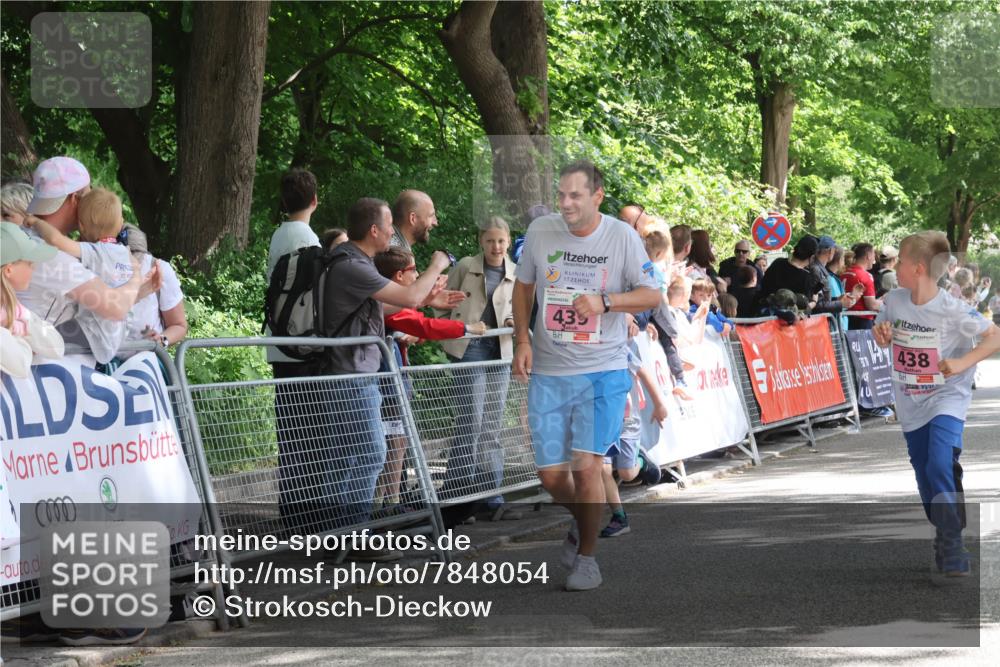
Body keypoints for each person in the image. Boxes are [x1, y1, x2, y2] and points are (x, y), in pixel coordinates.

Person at [512, 160, 659, 591]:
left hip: (604, 369)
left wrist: (606, 302)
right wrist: (522, 340)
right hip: (550, 369)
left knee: (587, 466)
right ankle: (586, 521)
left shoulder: (623, 237)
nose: (566, 203)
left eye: (576, 195)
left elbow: (653, 293)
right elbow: (524, 288)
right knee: (551, 475)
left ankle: (588, 560)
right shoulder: (541, 232)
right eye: (561, 194)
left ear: (597, 196)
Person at [317, 197, 453, 540]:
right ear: (374, 229)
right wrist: (436, 266)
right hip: (351, 375)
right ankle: (355, 535)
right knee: (370, 452)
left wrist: (426, 299)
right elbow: (403, 300)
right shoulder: (352, 265)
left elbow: (387, 309)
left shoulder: (354, 263)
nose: (393, 231)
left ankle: (340, 534)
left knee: (351, 456)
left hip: (355, 373)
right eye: (389, 225)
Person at [873, 231, 1000, 578]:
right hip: (911, 401)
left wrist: (961, 363)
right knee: (925, 474)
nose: (895, 265)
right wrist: (881, 335)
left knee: (937, 465)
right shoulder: (895, 300)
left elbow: (995, 336)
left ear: (917, 268)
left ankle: (951, 544)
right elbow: (881, 329)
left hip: (947, 396)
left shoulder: (952, 308)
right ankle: (948, 521)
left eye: (900, 260)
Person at [373, 246, 486, 515]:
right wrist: (466, 328)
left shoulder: (392, 299)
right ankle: (379, 507)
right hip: (384, 382)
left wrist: (426, 301)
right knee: (382, 445)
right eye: (415, 271)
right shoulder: (386, 298)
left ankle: (387, 503)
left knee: (396, 440)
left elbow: (417, 327)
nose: (418, 276)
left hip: (393, 378)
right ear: (400, 275)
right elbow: (422, 326)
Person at [18, 157, 157, 356]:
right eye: (90, 196)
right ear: (75, 199)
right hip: (33, 371)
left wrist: (141, 290)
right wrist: (135, 276)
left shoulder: (25, 235)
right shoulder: (53, 257)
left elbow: (97, 303)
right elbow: (116, 308)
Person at [435, 216, 520, 520]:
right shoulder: (466, 266)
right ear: (480, 242)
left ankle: (490, 496)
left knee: (492, 425)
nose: (496, 246)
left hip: (499, 350)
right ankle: (458, 496)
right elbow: (439, 301)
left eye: (500, 241)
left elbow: (519, 309)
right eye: (489, 241)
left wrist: (513, 320)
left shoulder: (516, 272)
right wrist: (456, 326)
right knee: (470, 420)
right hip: (469, 348)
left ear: (508, 241)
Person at [26, 188, 138, 367]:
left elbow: (56, 240)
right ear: (121, 223)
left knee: (46, 337)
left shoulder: (96, 252)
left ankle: (23, 354)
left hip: (92, 330)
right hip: (118, 331)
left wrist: (36, 222)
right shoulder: (125, 254)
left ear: (82, 226)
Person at [599, 342, 667, 538]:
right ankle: (619, 517)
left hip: (628, 421)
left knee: (627, 474)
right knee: (602, 469)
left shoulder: (619, 348)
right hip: (601, 421)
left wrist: (659, 404)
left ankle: (642, 460)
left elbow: (643, 373)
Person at [1, 222, 64, 377]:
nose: (33, 268)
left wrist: (22, 325)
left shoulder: (14, 309)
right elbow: (21, 365)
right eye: (29, 263)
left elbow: (57, 347)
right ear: (9, 270)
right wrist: (21, 337)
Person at [759, 236, 823, 310]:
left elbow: (763, 286)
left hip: (764, 315)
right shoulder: (806, 278)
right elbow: (804, 309)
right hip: (787, 320)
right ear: (812, 257)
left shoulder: (777, 263)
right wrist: (814, 301)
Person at [842, 243, 882, 330]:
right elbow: (872, 305)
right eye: (874, 255)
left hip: (844, 320)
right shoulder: (865, 276)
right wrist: (887, 303)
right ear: (868, 256)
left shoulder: (843, 272)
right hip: (861, 323)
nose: (874, 260)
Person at [810, 235, 852, 317]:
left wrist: (837, 300)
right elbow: (817, 305)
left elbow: (821, 300)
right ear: (831, 251)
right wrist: (840, 304)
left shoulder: (818, 269)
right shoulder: (816, 270)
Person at [825, 245, 857, 332]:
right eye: (843, 258)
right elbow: (836, 304)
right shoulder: (830, 279)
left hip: (838, 325)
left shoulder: (833, 278)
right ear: (839, 260)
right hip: (835, 327)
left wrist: (852, 296)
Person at [688, 229, 726, 293]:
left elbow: (723, 286)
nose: (712, 247)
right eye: (709, 244)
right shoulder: (692, 271)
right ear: (704, 247)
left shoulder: (707, 268)